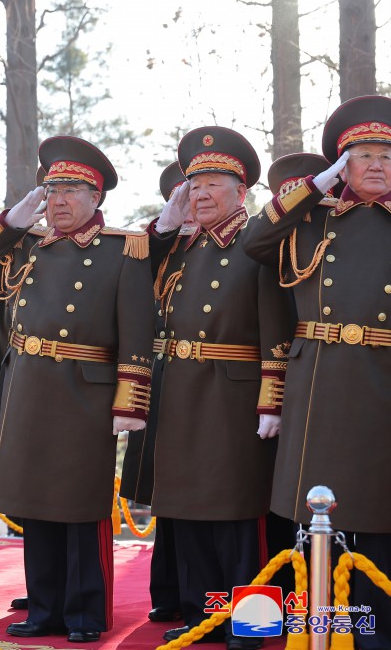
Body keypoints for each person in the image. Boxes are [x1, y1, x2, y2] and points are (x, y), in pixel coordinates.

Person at [0, 136, 153, 643]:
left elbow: (137, 331)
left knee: (78, 507)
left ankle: (86, 613)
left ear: (96, 197)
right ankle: (45, 608)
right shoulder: (28, 245)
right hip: (28, 387)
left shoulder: (123, 249)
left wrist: (130, 402)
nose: (60, 200)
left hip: (85, 392)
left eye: (71, 189)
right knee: (35, 502)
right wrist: (11, 221)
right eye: (52, 190)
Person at [242, 95, 391, 650]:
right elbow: (255, 244)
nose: (377, 165)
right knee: (315, 517)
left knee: (378, 517)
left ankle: (375, 633)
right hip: (319, 384)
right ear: (341, 165)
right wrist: (314, 187)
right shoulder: (311, 219)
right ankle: (316, 630)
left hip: (383, 380)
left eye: (387, 155)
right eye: (364, 154)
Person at [148, 127, 295, 650]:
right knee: (186, 512)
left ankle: (250, 623)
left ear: (242, 191)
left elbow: (277, 328)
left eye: (213, 183)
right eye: (195, 184)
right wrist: (164, 226)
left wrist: (272, 400)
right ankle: (203, 614)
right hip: (182, 391)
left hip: (233, 397)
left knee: (235, 517)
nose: (201, 193)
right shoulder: (181, 248)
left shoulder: (257, 242)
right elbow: (134, 275)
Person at [119, 162, 190, 624]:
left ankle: (189, 595)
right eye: (180, 200)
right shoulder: (158, 249)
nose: (188, 208)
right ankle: (166, 592)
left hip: (204, 381)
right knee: (164, 492)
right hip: (157, 376)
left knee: (197, 493)